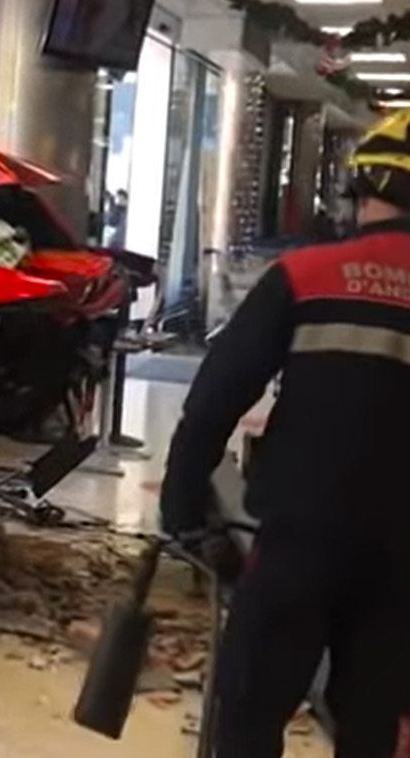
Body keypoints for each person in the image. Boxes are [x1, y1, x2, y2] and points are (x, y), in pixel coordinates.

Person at [160, 107, 410, 757]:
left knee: (246, 721)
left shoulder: (305, 276)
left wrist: (183, 510)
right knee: (372, 733)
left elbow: (213, 402)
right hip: (399, 568)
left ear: (366, 191)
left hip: (297, 549)